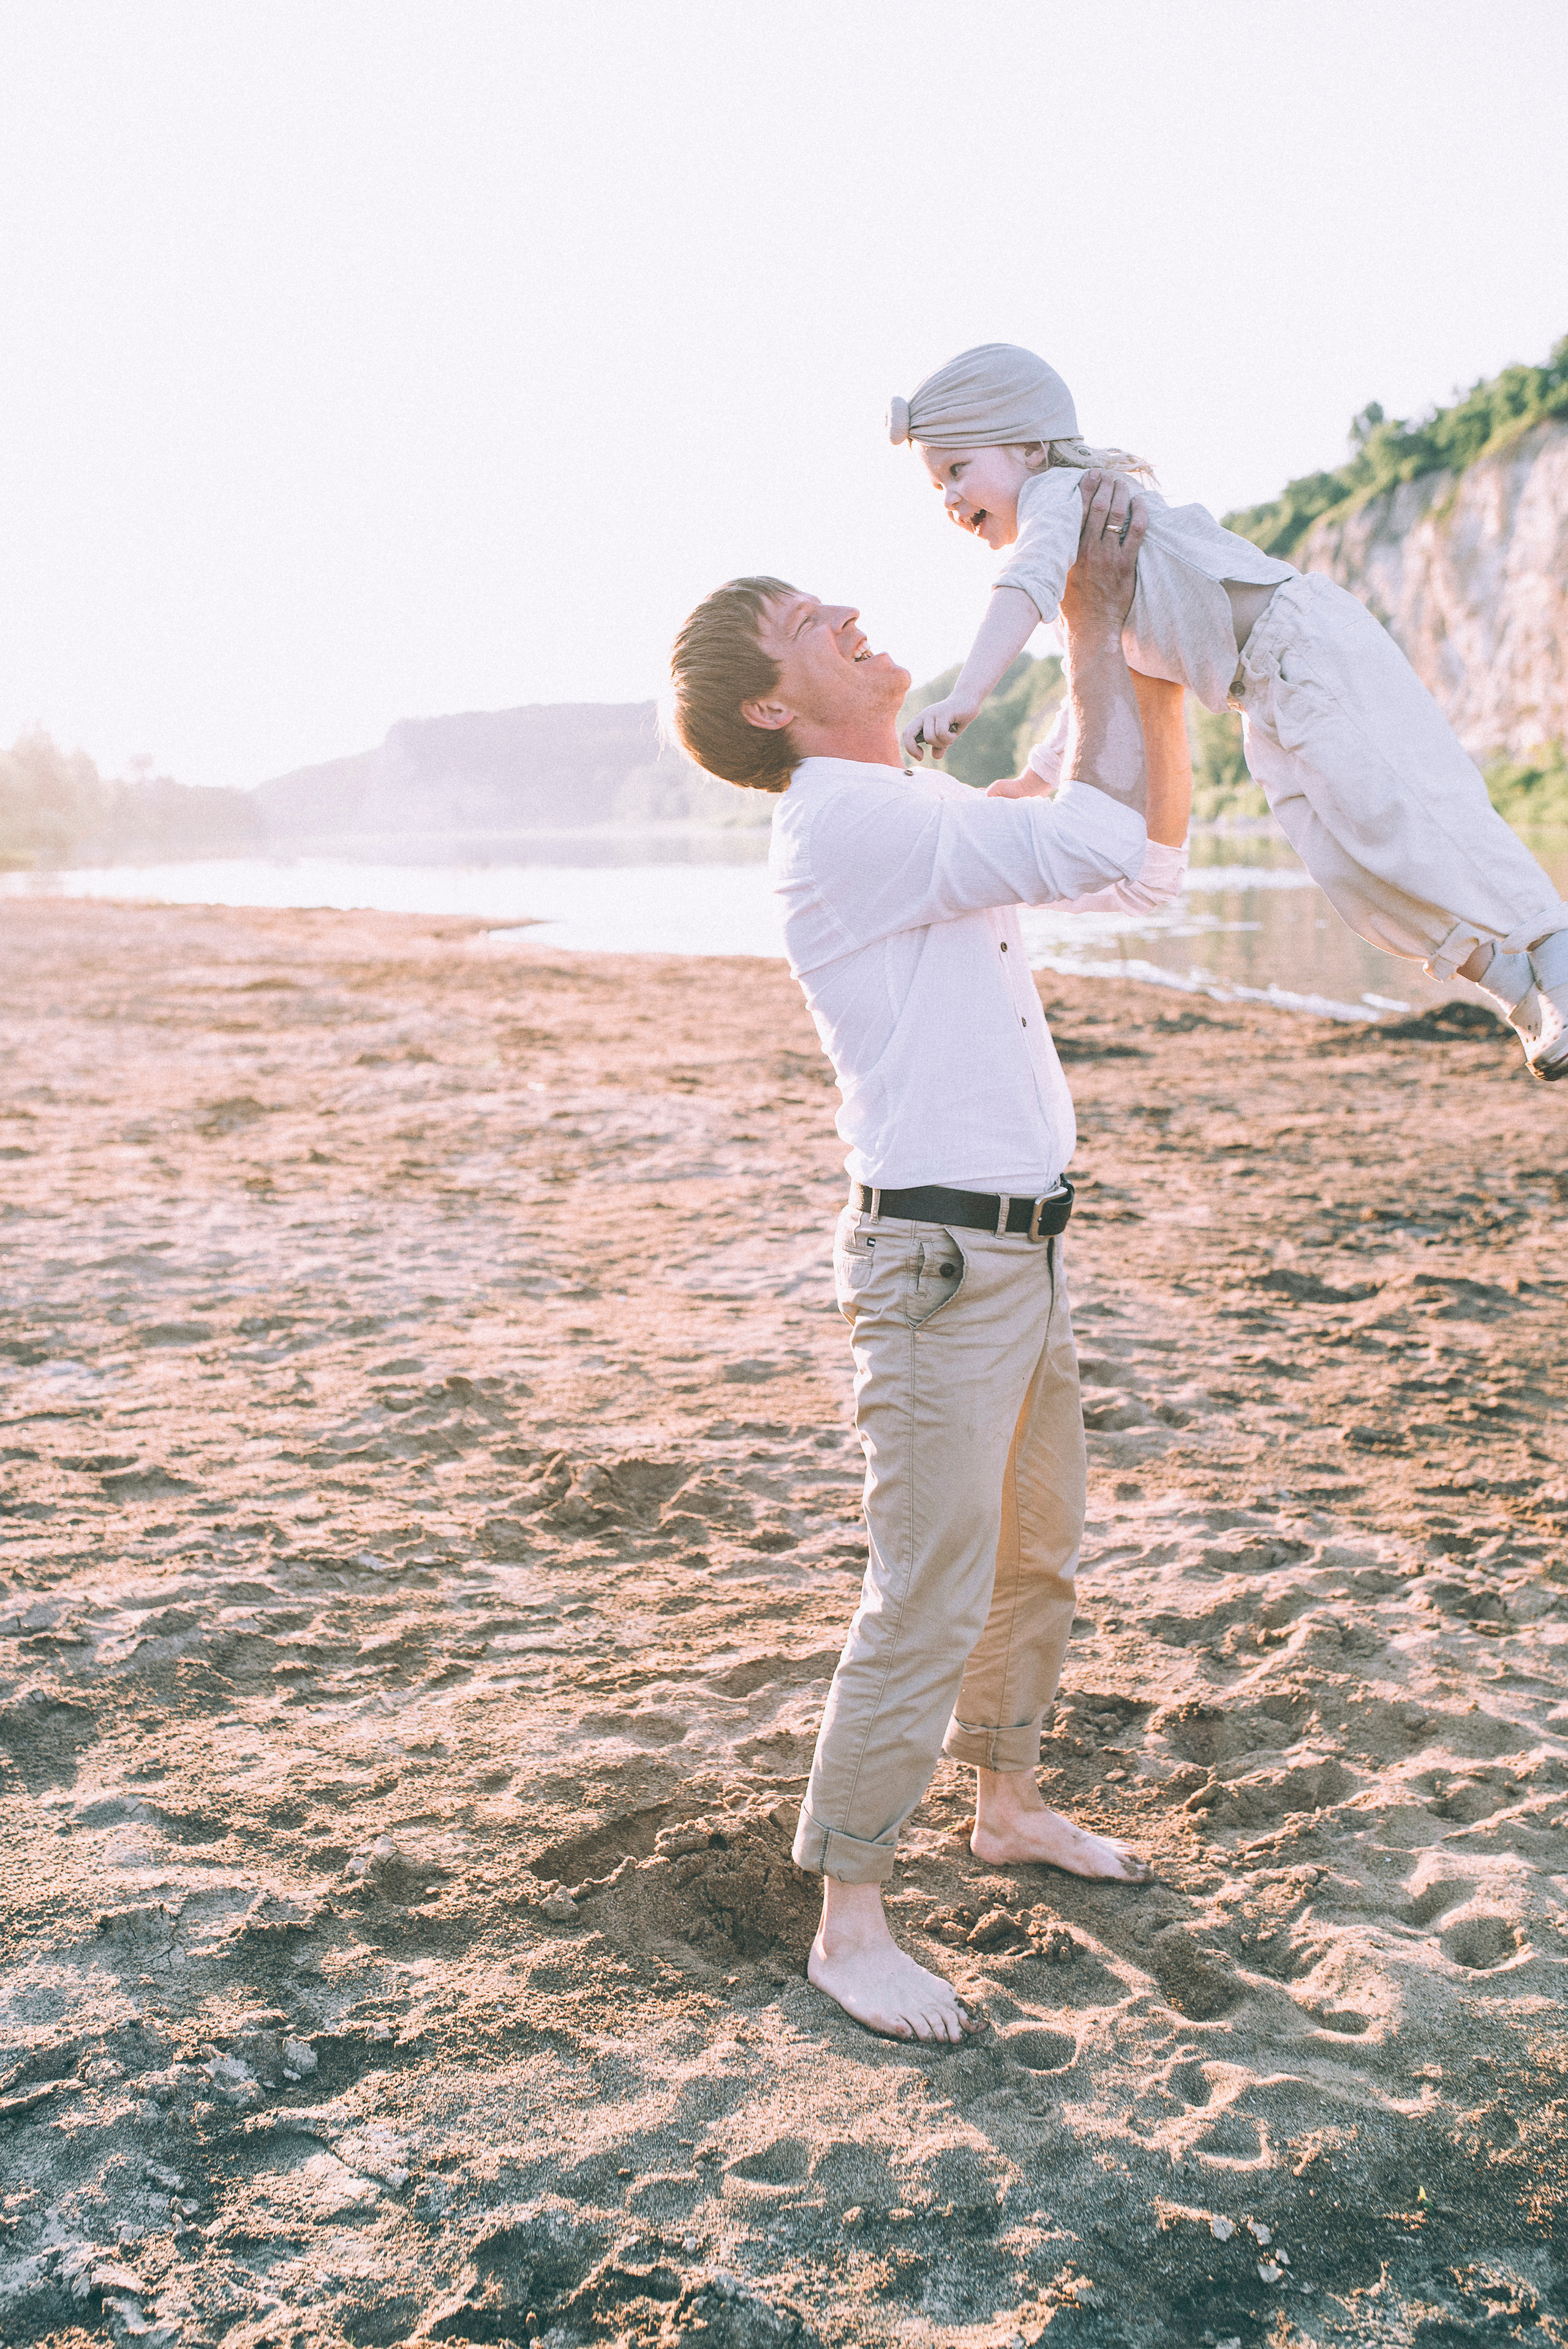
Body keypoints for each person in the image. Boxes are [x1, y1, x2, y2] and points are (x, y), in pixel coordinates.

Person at [668, 477, 1187, 2043]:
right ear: (773, 701)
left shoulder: (898, 804)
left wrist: (1147, 683)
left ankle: (1009, 1804)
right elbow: (1094, 827)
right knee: (923, 1589)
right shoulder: (846, 814)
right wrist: (1093, 627)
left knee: (1033, 1554)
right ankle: (846, 1920)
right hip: (935, 1266)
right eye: (801, 622)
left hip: (1018, 1252)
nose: (840, 611)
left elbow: (1140, 865)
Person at [891, 342, 1568, 1079]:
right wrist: (1034, 777)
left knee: (1412, 815)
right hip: (1258, 695)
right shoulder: (1073, 565)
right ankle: (1513, 987)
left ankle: (1555, 954)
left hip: (1304, 652)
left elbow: (1019, 586)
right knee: (1347, 869)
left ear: (1027, 445)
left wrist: (966, 696)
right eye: (936, 487)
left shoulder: (1064, 495)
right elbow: (1088, 681)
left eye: (957, 470)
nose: (951, 499)